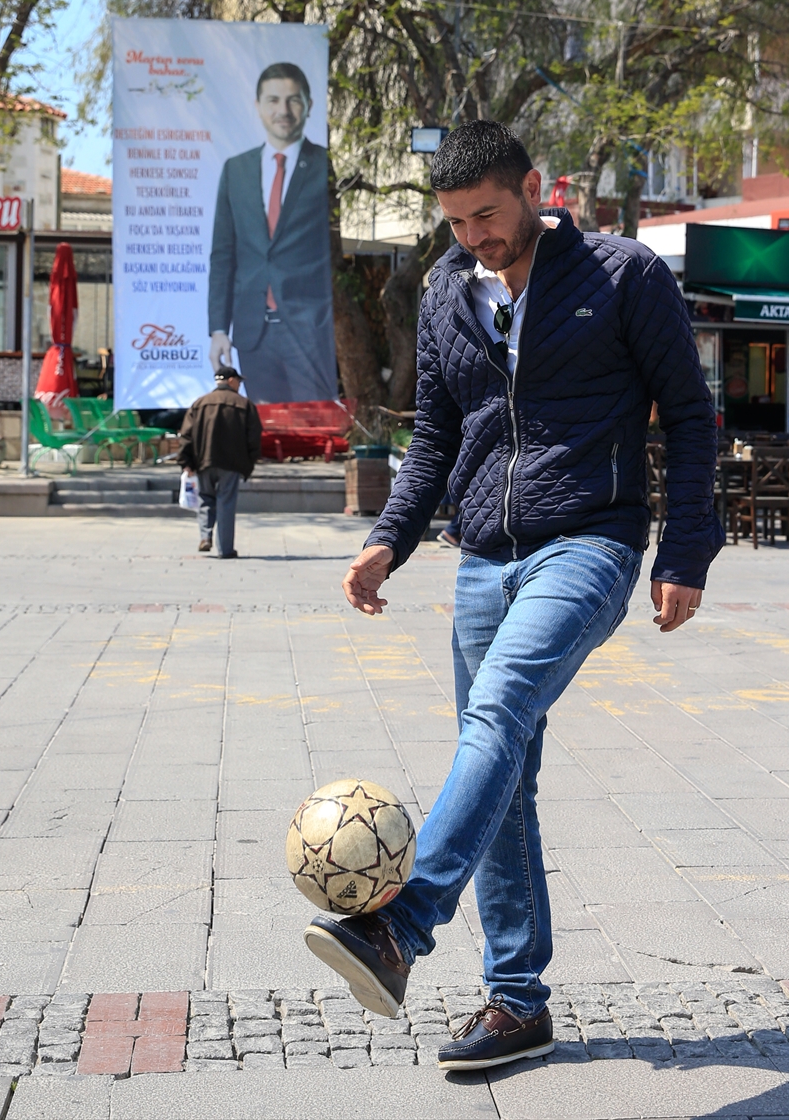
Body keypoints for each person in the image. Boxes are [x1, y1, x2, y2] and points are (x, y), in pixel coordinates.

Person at [302, 121, 725, 1071]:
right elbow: (436, 442)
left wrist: (686, 549)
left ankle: (400, 927)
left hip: (589, 541)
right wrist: (388, 540)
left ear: (531, 187)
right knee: (502, 775)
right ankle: (516, 1002)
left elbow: (691, 417)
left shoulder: (622, 276)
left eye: (486, 216)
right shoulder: (448, 291)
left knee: (497, 710)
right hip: (483, 555)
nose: (474, 238)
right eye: (455, 223)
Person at [208, 61, 338, 404]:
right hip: (253, 332)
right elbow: (223, 254)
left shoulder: (324, 166)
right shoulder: (236, 170)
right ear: (258, 106)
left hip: (308, 330)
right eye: (273, 100)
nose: (283, 110)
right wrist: (219, 330)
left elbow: (335, 252)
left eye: (293, 100)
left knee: (310, 427)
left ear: (308, 105)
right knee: (266, 430)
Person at [178, 365, 263, 559]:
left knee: (205, 499)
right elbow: (254, 437)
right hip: (231, 463)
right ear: (231, 381)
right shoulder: (244, 404)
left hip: (203, 461)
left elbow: (186, 435)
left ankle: (205, 536)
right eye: (238, 382)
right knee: (226, 503)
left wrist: (187, 461)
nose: (239, 385)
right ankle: (225, 549)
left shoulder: (200, 403)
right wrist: (249, 463)